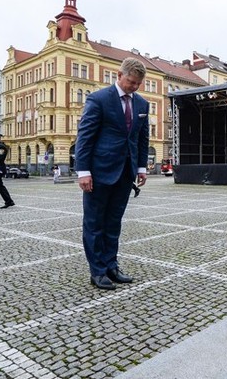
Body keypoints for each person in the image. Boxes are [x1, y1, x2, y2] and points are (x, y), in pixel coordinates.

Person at [75, 57, 149, 291]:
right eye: (130, 82)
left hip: (126, 173)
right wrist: (83, 171)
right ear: (119, 75)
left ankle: (111, 266)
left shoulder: (142, 104)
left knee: (113, 222)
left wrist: (141, 167)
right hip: (98, 172)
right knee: (95, 223)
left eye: (138, 84)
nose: (134, 87)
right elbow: (85, 136)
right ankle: (97, 271)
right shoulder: (98, 99)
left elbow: (141, 138)